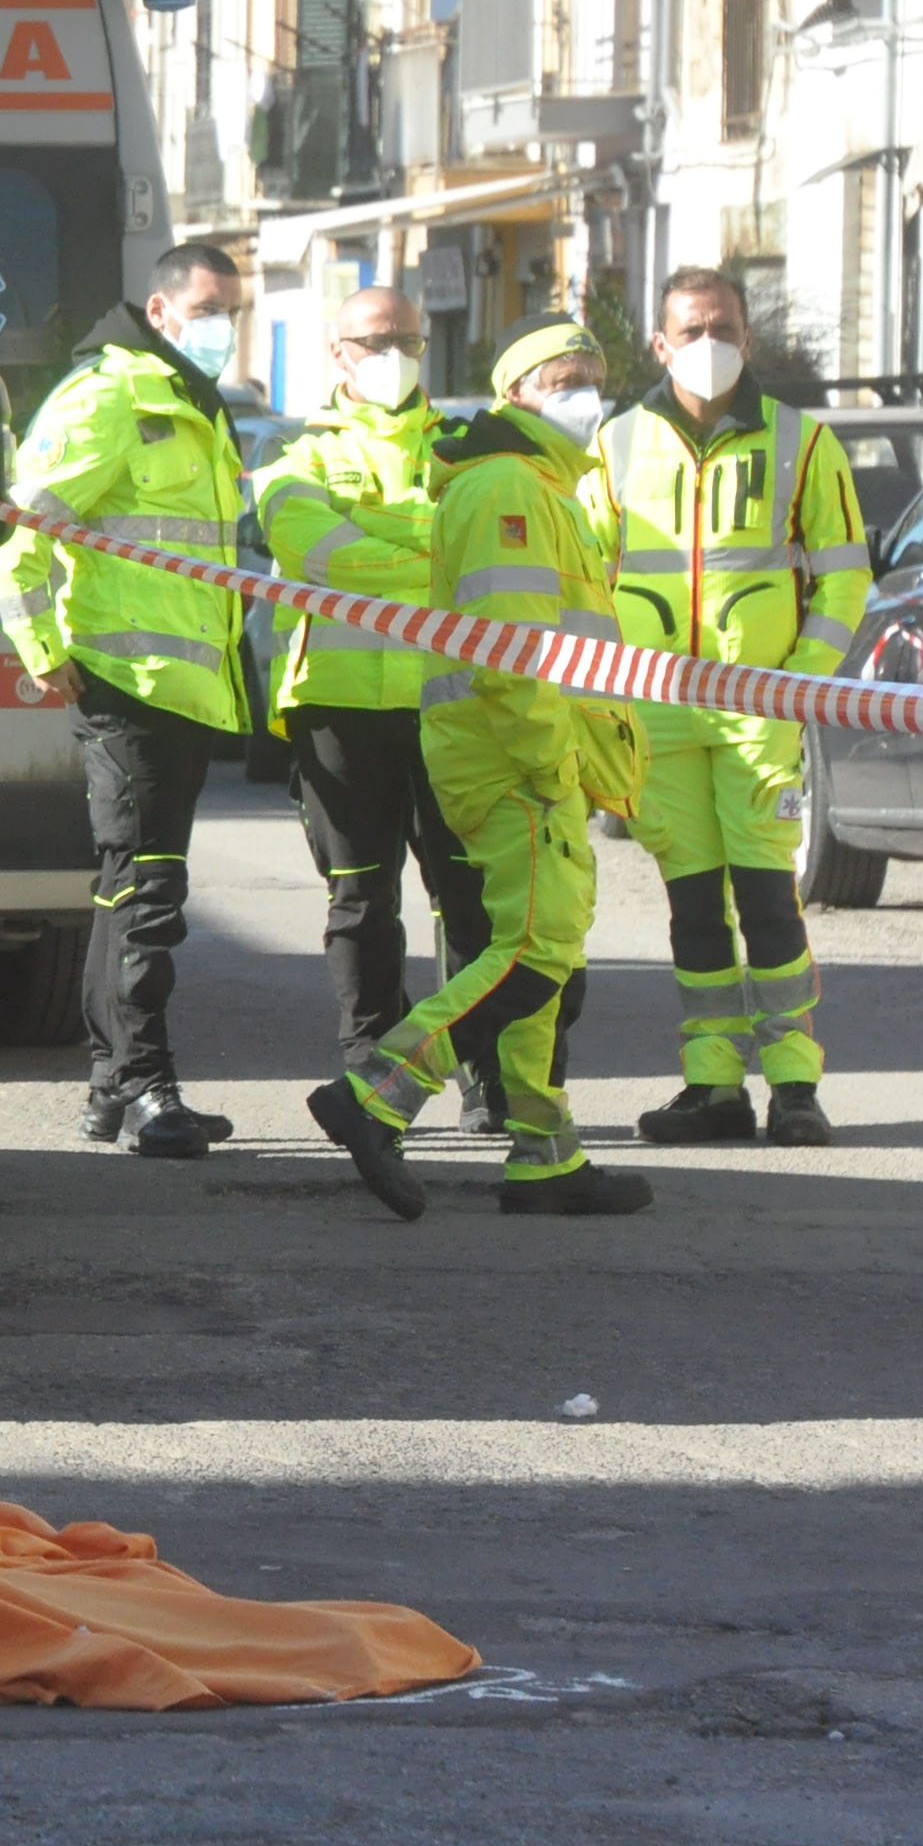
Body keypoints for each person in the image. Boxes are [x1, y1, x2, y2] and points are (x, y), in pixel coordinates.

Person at [300, 316, 653, 1218]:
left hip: (517, 753)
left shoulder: (542, 484)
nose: (585, 392)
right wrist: (548, 762)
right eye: (562, 377)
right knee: (534, 952)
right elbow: (513, 651)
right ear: (516, 394)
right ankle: (378, 1096)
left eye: (592, 374)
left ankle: (544, 1154)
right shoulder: (509, 485)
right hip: (513, 757)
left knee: (539, 948)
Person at [591, 267, 871, 1148]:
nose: (708, 342)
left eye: (723, 327)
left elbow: (846, 570)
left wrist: (803, 674)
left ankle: (793, 1086)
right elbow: (584, 574)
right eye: (691, 328)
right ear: (659, 343)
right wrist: (602, 693)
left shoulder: (802, 441)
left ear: (746, 339)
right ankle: (713, 1086)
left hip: (759, 710)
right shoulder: (615, 444)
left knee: (768, 897)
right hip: (659, 710)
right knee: (693, 903)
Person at [0, 242, 255, 1158]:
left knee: (131, 891)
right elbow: (15, 541)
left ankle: (117, 1088)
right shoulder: (110, 397)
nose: (226, 324)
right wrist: (44, 652)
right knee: (145, 895)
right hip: (126, 687)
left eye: (236, 309)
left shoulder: (188, 404)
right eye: (212, 306)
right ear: (162, 306)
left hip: (181, 691)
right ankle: (142, 1086)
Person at [256, 284, 491, 1107]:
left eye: (407, 340)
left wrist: (378, 540)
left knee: (466, 896)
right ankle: (372, 1065)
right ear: (337, 354)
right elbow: (316, 551)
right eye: (373, 340)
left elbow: (489, 547)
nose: (391, 355)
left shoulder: (467, 449)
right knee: (361, 898)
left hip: (451, 704)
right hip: (340, 708)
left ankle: (483, 1073)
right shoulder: (297, 456)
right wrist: (433, 554)